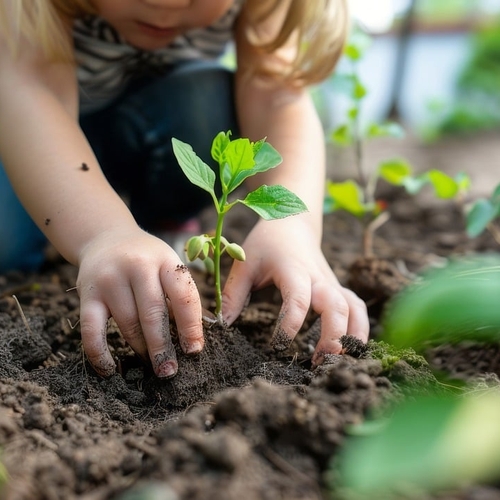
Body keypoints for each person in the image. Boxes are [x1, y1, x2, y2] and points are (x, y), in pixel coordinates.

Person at [0, 0, 369, 379]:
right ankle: (104, 232)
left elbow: (277, 92)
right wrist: (102, 234)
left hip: (150, 116)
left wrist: (294, 227)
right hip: (26, 129)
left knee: (202, 103)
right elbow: (31, 89)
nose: (167, 2)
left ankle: (157, 228)